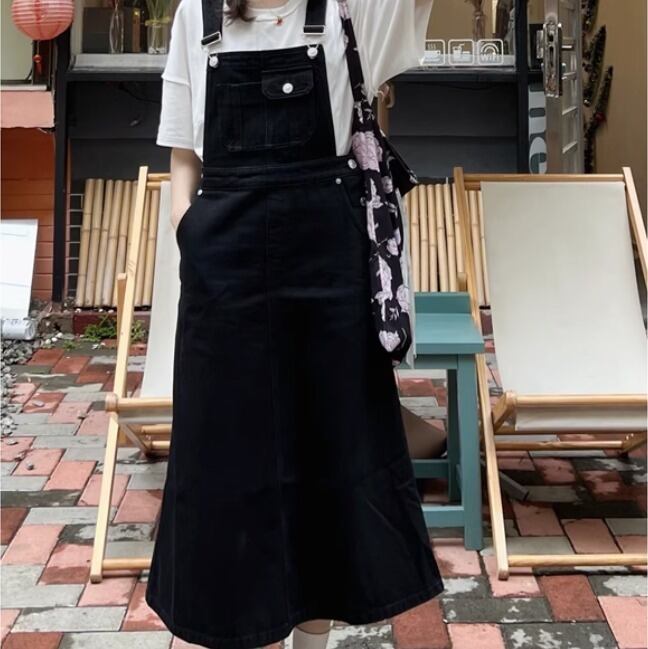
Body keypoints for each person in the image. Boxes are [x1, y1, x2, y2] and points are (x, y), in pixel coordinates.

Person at [144, 1, 444, 649]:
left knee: (329, 461)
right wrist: (188, 230)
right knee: (226, 468)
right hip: (222, 273)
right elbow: (182, 152)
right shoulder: (195, 14)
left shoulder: (351, 9)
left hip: (328, 270)